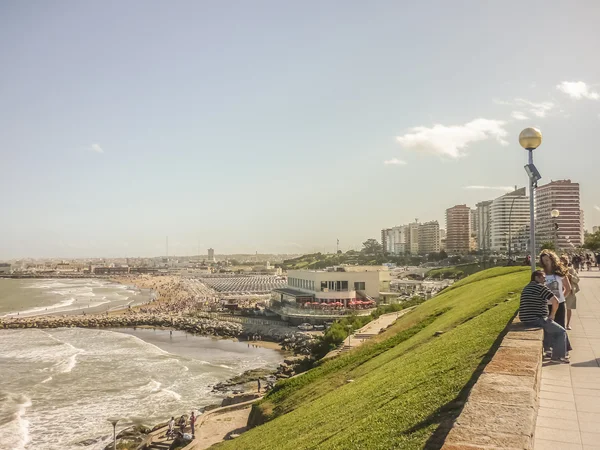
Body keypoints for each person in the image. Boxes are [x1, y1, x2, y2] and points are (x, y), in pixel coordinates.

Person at [519, 270, 568, 363]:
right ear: (536, 278)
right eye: (543, 278)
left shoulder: (527, 287)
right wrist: (552, 315)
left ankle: (548, 350)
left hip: (526, 319)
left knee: (548, 329)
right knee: (561, 331)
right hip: (536, 318)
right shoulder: (540, 287)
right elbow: (556, 301)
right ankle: (557, 357)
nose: (545, 280)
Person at [539, 250, 572, 330]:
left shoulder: (559, 273)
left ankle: (563, 343)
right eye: (543, 261)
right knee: (547, 329)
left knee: (560, 328)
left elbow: (568, 288)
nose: (546, 262)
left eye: (547, 260)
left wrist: (560, 299)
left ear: (552, 259)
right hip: (545, 305)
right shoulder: (542, 274)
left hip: (559, 305)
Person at [561, 255, 580, 330]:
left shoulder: (571, 270)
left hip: (570, 291)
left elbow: (577, 279)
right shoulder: (557, 270)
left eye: (565, 262)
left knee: (569, 308)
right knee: (559, 308)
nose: (563, 264)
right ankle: (560, 323)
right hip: (560, 291)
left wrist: (571, 276)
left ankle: (568, 324)